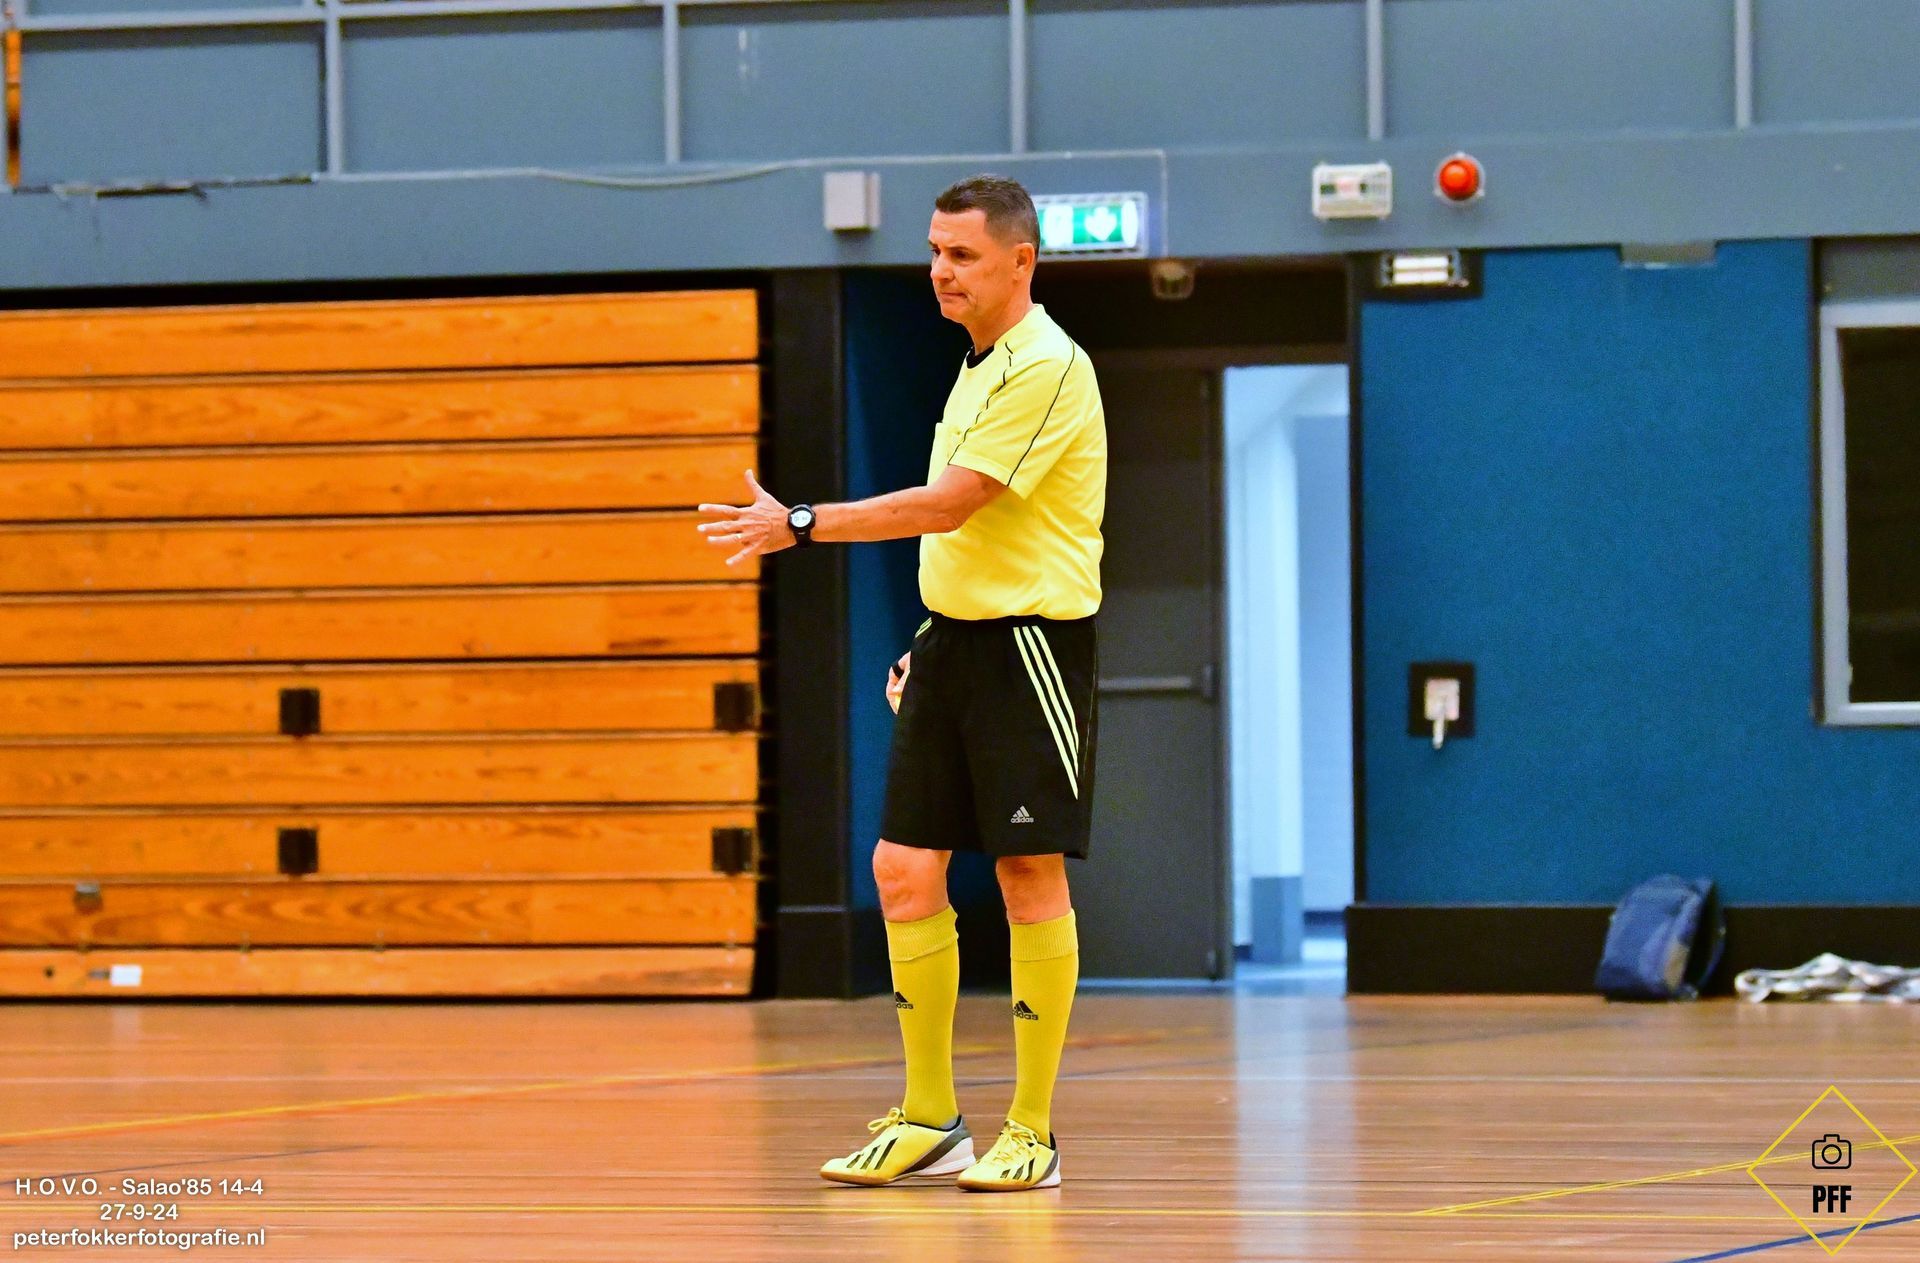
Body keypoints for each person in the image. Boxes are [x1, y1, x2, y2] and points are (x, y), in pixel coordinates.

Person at [696, 174, 1105, 1192]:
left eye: (962, 255)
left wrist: (802, 522)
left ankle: (1033, 1132)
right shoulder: (976, 367)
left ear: (1020, 260)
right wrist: (932, 638)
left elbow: (949, 505)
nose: (939, 271)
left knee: (1026, 872)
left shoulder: (1047, 365)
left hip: (1030, 650)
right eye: (933, 251)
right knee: (902, 870)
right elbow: (972, 537)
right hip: (956, 643)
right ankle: (931, 1120)